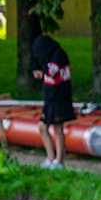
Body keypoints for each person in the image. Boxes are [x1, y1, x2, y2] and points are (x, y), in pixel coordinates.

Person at [31, 33, 74, 167]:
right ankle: (50, 158)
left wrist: (41, 74)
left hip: (58, 97)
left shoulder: (57, 56)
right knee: (43, 127)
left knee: (57, 129)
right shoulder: (52, 55)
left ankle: (59, 161)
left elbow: (52, 74)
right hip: (50, 98)